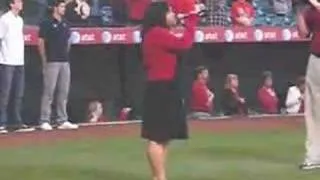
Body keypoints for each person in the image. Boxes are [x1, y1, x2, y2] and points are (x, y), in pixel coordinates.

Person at [141, 1, 198, 180]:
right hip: (160, 87)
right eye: (169, 12)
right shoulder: (156, 33)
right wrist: (191, 23)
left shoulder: (159, 33)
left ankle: (159, 176)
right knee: (157, 136)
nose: (173, 15)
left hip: (166, 86)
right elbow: (184, 44)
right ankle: (159, 177)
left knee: (164, 136)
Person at [38, 0, 79, 131]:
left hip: (64, 61)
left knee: (63, 91)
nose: (64, 9)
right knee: (49, 91)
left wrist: (65, 56)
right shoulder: (46, 23)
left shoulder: (66, 23)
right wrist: (44, 60)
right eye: (61, 6)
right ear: (55, 8)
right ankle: (44, 119)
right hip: (52, 61)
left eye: (64, 7)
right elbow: (41, 42)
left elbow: (68, 42)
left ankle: (62, 119)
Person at [0, 0, 35, 133]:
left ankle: (16, 121)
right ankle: (2, 122)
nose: (21, 3)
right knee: (5, 93)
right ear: (11, 4)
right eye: (18, 1)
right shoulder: (4, 19)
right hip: (7, 61)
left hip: (19, 61)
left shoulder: (19, 20)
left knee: (18, 93)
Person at [296, 0, 320, 170]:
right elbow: (303, 33)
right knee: (312, 109)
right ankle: (314, 156)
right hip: (316, 59)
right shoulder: (310, 10)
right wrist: (298, 11)